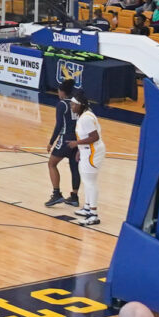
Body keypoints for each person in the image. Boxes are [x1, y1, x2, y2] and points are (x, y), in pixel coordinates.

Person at [45, 79, 81, 209]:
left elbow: (59, 125)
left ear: (62, 92)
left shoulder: (62, 104)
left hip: (66, 139)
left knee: (52, 164)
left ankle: (56, 194)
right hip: (77, 140)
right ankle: (74, 197)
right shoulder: (78, 103)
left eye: (58, 91)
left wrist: (51, 142)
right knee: (74, 168)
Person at [71, 91, 106, 227]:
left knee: (90, 182)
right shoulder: (85, 115)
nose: (72, 107)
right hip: (87, 150)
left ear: (80, 105)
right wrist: (80, 150)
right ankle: (87, 207)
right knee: (87, 181)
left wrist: (76, 144)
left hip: (92, 152)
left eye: (74, 105)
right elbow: (85, 136)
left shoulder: (85, 118)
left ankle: (93, 215)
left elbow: (94, 137)